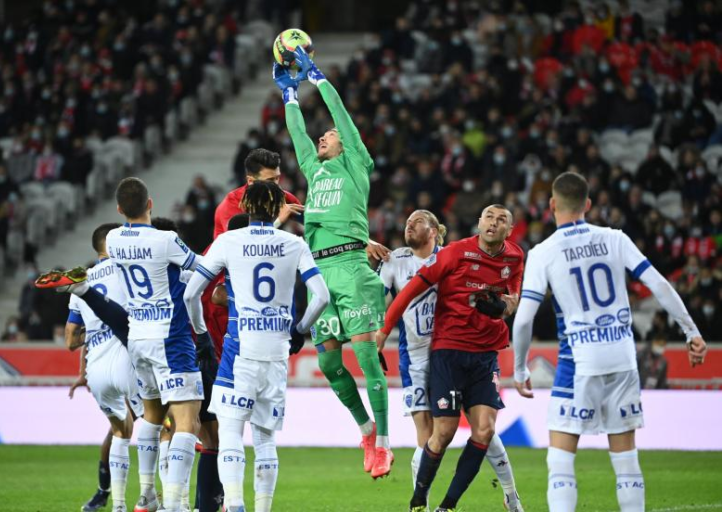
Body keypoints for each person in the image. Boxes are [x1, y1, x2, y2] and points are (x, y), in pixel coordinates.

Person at [512, 171, 708, 512]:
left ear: (551, 205)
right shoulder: (616, 238)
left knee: (560, 461)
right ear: (588, 205)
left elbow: (525, 317)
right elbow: (659, 285)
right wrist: (691, 332)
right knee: (626, 460)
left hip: (578, 362)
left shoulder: (544, 252)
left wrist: (518, 368)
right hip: (622, 357)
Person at [276, 46, 393, 478]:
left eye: (329, 134)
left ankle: (383, 443)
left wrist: (317, 78)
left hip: (351, 267)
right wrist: (289, 94)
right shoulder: (315, 168)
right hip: (319, 274)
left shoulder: (356, 164)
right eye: (321, 134)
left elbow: (341, 115)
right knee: (327, 362)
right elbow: (297, 137)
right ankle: (364, 429)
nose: (322, 137)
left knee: (364, 358)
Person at [183, 181, 329, 512]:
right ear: (279, 207)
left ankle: (234, 505)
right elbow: (322, 296)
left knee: (231, 433)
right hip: (276, 353)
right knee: (265, 439)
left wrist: (202, 334)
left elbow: (191, 294)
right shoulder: (294, 243)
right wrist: (300, 329)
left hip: (239, 352)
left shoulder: (228, 241)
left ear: (246, 206)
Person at [377, 205, 524, 512]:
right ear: (479, 221)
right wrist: (381, 332)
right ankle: (420, 502)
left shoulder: (513, 257)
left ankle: (503, 497)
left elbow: (512, 297)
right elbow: (406, 293)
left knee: (485, 431)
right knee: (436, 434)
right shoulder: (406, 259)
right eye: (489, 217)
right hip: (427, 356)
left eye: (501, 220)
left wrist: (505, 307)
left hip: (483, 354)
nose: (494, 223)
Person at [107, 177, 205, 512]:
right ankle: (176, 504)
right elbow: (200, 267)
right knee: (187, 422)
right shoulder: (165, 240)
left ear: (120, 210)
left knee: (151, 416)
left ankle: (146, 494)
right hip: (170, 338)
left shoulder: (113, 238)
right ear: (151, 205)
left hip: (137, 337)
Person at [62, 223, 144, 512]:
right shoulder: (129, 269)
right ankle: (159, 497)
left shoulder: (80, 282)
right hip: (131, 360)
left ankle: (115, 503)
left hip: (97, 370)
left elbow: (71, 339)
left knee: (120, 431)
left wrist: (94, 334)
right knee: (162, 426)